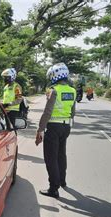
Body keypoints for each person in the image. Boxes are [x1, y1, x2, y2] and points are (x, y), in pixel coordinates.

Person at [35, 63, 76, 198]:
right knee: (61, 155)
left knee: (51, 157)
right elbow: (72, 111)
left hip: (53, 127)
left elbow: (48, 112)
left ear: (54, 76)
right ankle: (62, 180)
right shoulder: (72, 90)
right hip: (66, 127)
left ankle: (54, 188)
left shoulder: (53, 90)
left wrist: (40, 129)